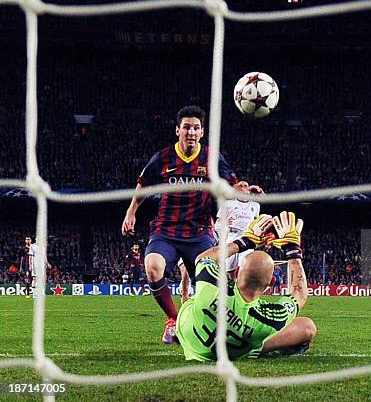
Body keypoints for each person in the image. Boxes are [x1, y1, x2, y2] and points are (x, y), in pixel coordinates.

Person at [121, 105, 260, 344]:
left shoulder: (211, 157)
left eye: (196, 127)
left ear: (202, 131)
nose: (191, 132)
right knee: (152, 266)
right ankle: (175, 321)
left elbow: (232, 183)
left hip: (199, 233)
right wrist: (131, 212)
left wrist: (245, 191)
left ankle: (215, 325)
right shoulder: (163, 157)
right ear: (178, 130)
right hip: (166, 230)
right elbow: (143, 184)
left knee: (211, 286)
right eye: (186, 127)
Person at [176, 211, 316, 361]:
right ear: (271, 282)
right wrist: (293, 251)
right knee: (307, 327)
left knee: (199, 296)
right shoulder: (270, 317)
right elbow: (299, 296)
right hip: (233, 352)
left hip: (187, 337)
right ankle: (257, 350)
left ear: (236, 272)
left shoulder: (213, 284)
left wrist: (245, 241)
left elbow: (203, 258)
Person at [213, 180, 263, 278]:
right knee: (229, 269)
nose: (243, 187)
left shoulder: (255, 205)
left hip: (247, 239)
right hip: (231, 238)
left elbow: (257, 222)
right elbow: (217, 225)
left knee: (245, 266)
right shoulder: (227, 204)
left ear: (249, 189)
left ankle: (240, 288)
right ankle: (231, 285)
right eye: (240, 185)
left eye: (245, 185)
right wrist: (224, 223)